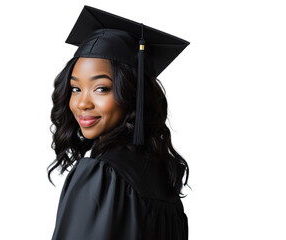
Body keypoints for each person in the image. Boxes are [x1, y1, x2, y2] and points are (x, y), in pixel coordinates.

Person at [48, 5, 190, 240]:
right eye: (75, 88)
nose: (83, 103)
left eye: (101, 88)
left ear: (133, 95)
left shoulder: (101, 175)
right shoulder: (165, 183)